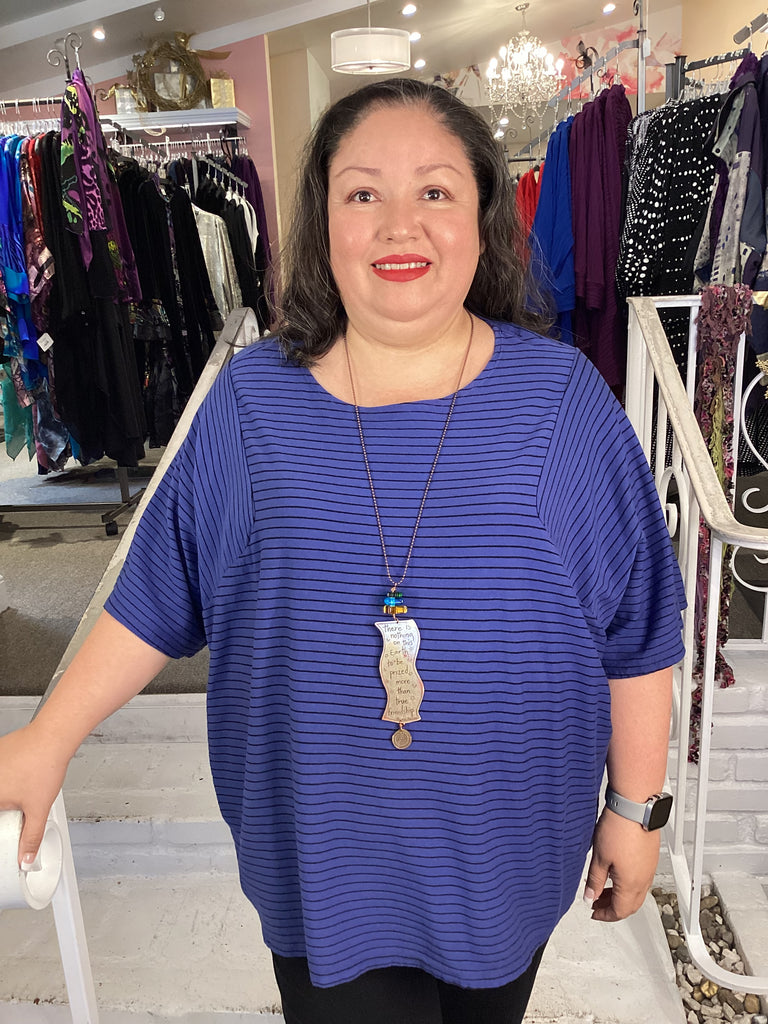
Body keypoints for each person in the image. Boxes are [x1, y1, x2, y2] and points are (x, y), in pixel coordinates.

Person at [0, 78, 685, 1024]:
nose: (400, 224)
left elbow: (637, 632)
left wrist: (637, 809)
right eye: (363, 192)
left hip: (508, 860)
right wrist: (47, 738)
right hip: (323, 866)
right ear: (325, 224)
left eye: (435, 190)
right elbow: (157, 593)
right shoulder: (250, 407)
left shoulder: (565, 403)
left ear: (483, 215)